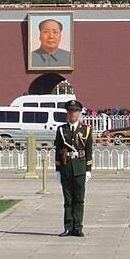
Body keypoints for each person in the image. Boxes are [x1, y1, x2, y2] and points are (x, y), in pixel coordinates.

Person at [54, 99, 93, 237]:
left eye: (75, 111)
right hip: (66, 167)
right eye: (70, 111)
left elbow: (89, 150)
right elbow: (58, 149)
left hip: (80, 168)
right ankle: (68, 227)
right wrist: (58, 170)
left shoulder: (86, 130)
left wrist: (88, 169)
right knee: (68, 200)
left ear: (79, 113)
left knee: (79, 199)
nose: (72, 114)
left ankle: (78, 227)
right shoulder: (61, 130)